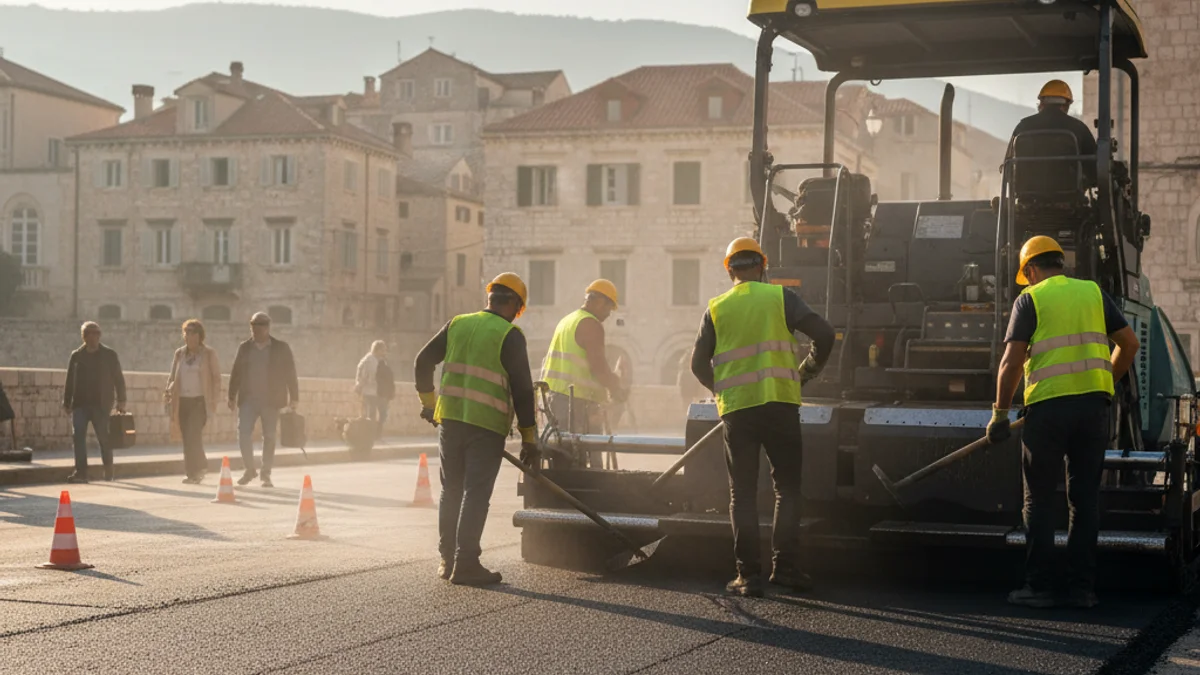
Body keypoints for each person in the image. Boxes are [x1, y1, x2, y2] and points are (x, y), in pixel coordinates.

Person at [987, 236, 1140, 609]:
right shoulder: (1093, 293)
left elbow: (1010, 364)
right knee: (1084, 501)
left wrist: (999, 414)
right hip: (1093, 411)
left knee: (1038, 500)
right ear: (1061, 263)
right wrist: (1105, 383)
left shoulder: (1031, 298)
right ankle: (1081, 590)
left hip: (1048, 412)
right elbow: (1130, 344)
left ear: (1031, 270)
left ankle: (1038, 588)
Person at [691, 237, 835, 598]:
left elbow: (697, 364)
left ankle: (748, 576)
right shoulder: (780, 297)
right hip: (781, 405)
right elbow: (825, 334)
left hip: (738, 410)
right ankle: (785, 567)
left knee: (742, 493)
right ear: (762, 266)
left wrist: (721, 390)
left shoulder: (716, 308)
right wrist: (806, 372)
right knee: (786, 489)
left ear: (729, 270)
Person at [414, 272, 538, 586]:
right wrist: (529, 437)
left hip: (451, 421)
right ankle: (466, 563)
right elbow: (524, 391)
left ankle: (448, 559)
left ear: (490, 297)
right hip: (485, 426)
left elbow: (422, 361)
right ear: (514, 304)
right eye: (518, 309)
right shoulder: (510, 335)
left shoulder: (457, 324)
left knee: (451, 490)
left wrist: (429, 403)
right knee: (475, 493)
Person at [541, 279, 626, 460]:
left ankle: (562, 488)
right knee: (584, 460)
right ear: (600, 301)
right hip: (576, 403)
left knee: (563, 458)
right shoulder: (591, 324)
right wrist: (616, 388)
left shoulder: (567, 320)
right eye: (609, 308)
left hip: (558, 398)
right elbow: (599, 367)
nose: (609, 314)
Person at [227, 312, 299, 488]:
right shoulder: (245, 348)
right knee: (243, 433)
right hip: (248, 400)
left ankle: (265, 474)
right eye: (252, 328)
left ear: (266, 328)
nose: (255, 332)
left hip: (271, 400)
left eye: (258, 328)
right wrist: (231, 396)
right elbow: (235, 372)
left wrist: (294, 397)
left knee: (270, 437)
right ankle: (249, 469)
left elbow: (291, 373)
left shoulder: (281, 348)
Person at [62, 321, 127, 483]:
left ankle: (108, 469)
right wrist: (67, 401)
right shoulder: (76, 356)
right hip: (80, 403)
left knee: (104, 438)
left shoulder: (109, 355)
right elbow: (69, 380)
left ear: (99, 335)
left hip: (101, 403)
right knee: (78, 437)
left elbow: (119, 378)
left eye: (96, 333)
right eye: (89, 333)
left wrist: (122, 400)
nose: (92, 337)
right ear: (84, 336)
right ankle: (81, 471)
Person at [1007, 80, 1098, 188]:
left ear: (1041, 103)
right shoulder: (1078, 128)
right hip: (1070, 197)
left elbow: (1008, 167)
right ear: (1066, 105)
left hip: (1027, 198)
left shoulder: (1022, 127)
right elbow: (1095, 171)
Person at [164, 320, 222, 484]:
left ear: (199, 336)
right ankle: (191, 473)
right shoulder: (179, 354)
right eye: (186, 332)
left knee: (193, 434)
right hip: (182, 401)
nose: (188, 336)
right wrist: (168, 392)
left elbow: (216, 378)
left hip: (199, 401)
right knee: (186, 437)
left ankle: (200, 467)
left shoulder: (208, 354)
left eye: (192, 332)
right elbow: (172, 375)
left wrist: (214, 400)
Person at [355, 340, 394, 430]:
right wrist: (359, 386)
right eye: (383, 350)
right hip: (369, 391)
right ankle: (371, 433)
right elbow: (363, 376)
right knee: (371, 414)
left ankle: (377, 431)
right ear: (377, 350)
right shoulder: (368, 361)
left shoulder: (381, 361)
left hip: (379, 391)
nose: (384, 352)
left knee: (383, 413)